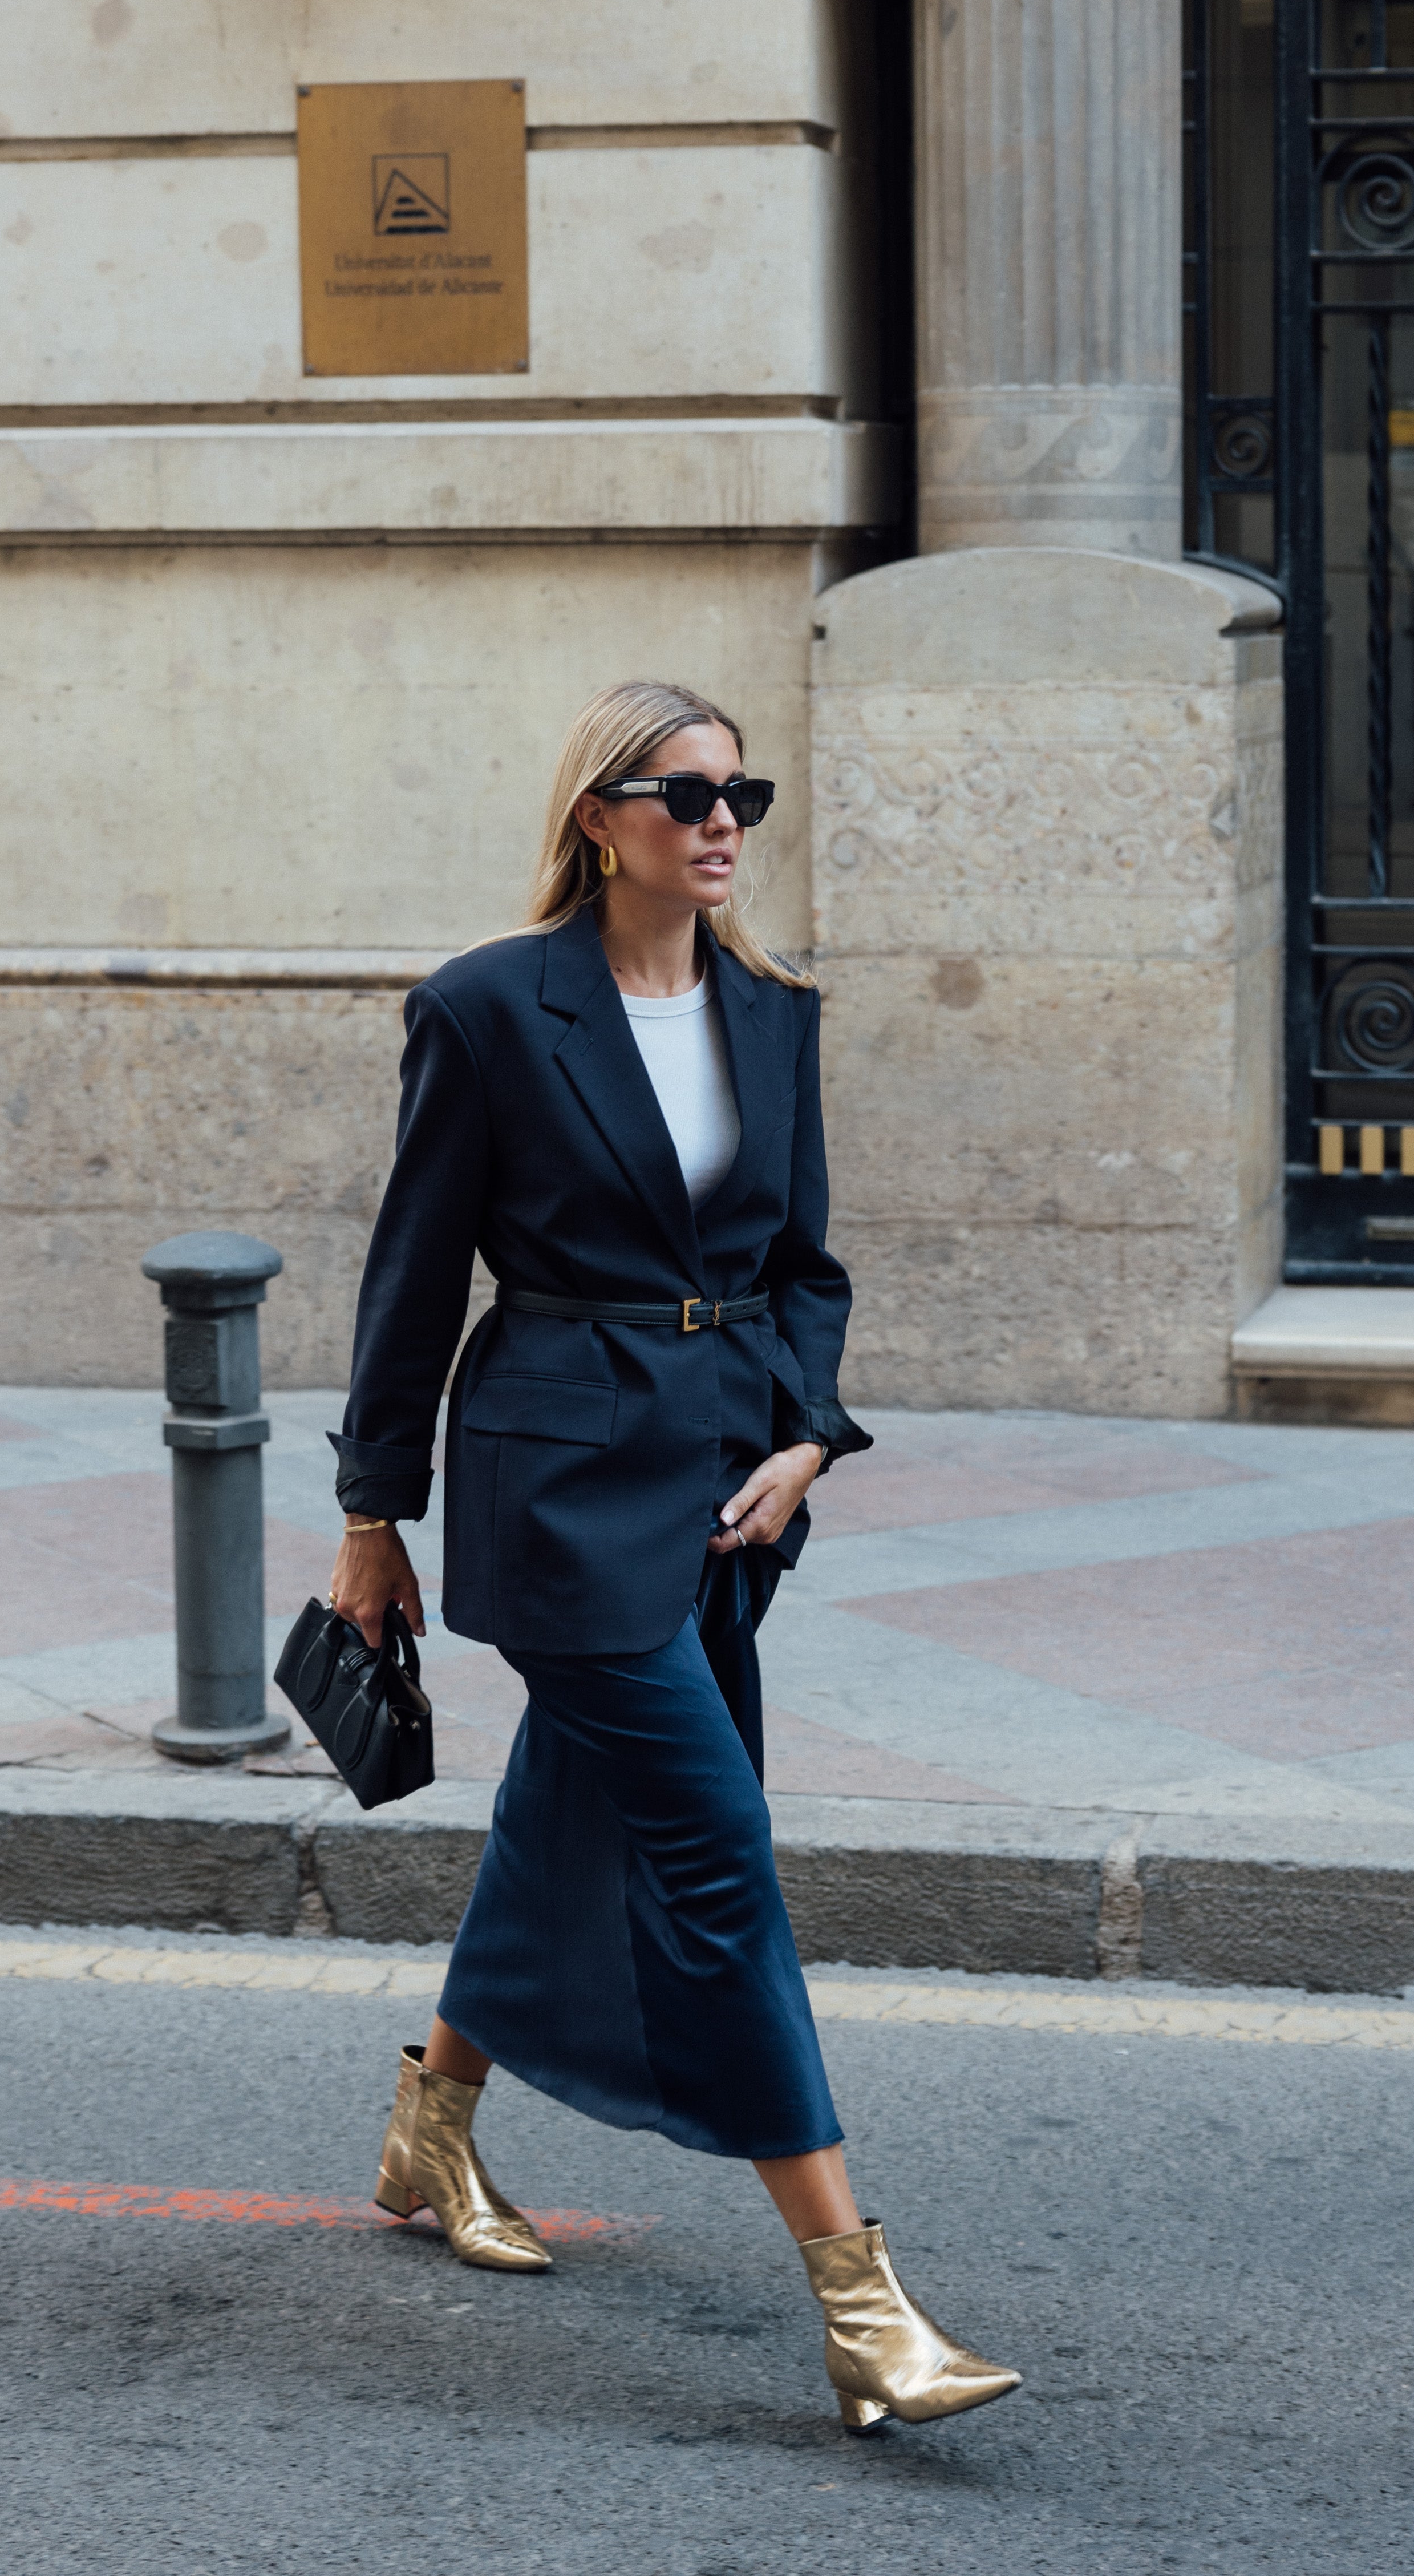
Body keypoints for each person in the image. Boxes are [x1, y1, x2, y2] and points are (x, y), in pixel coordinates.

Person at [326, 678, 1020, 2435]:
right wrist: (368, 1515)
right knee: (720, 1859)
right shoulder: (490, 1009)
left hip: (723, 1476)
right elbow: (414, 1277)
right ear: (600, 816)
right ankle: (865, 2311)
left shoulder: (773, 1013)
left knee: (568, 1804)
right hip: (558, 1484)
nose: (724, 822)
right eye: (686, 793)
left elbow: (804, 1265)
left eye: (745, 795)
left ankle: (432, 2123)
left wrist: (807, 1432)